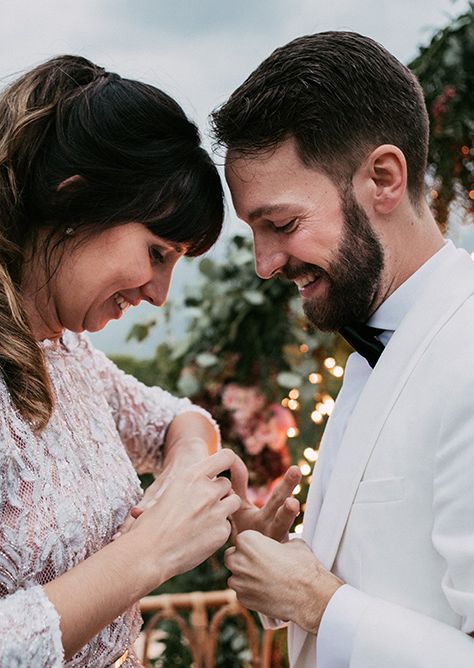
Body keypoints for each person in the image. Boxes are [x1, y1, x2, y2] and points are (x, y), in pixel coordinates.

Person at [0, 54, 247, 667]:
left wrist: (185, 470)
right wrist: (151, 551)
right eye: (157, 251)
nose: (160, 294)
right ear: (73, 203)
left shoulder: (62, 349)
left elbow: (176, 421)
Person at [212, 31, 474, 667]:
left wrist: (317, 602)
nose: (265, 263)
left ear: (383, 179)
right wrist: (286, 567)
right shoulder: (374, 335)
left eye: (282, 225)